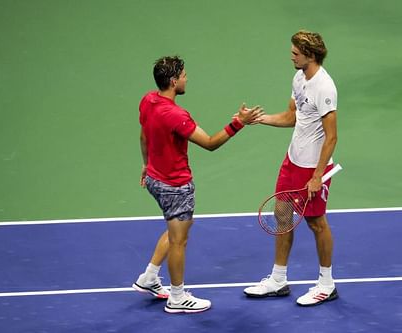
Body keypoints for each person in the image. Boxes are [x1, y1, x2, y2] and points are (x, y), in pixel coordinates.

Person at [133, 55, 263, 314]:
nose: (186, 78)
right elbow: (211, 143)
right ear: (173, 81)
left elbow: (143, 135)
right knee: (179, 240)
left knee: (174, 231)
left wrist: (147, 166)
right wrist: (239, 122)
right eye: (183, 75)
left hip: (155, 180)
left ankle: (149, 277)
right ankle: (177, 297)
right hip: (175, 186)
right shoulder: (176, 115)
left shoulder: (148, 100)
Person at [243, 30, 339, 306]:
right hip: (292, 161)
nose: (291, 55)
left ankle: (326, 283)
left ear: (310, 54)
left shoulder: (325, 87)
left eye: (296, 52)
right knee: (282, 215)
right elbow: (292, 117)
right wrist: (259, 119)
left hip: (312, 168)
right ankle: (278, 279)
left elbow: (331, 136)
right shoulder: (299, 78)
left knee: (316, 223)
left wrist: (318, 176)